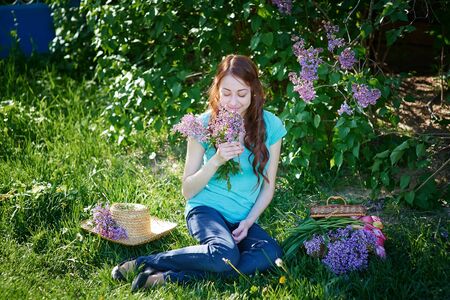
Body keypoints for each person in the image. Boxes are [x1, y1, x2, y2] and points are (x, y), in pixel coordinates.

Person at [111, 54, 287, 292]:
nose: (233, 102)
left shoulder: (271, 125)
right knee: (225, 254)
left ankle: (169, 278)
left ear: (254, 91)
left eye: (241, 93)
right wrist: (216, 160)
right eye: (226, 93)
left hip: (242, 217)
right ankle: (144, 262)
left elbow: (268, 186)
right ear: (217, 90)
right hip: (206, 210)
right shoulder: (203, 125)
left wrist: (249, 221)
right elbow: (188, 189)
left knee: (270, 253)